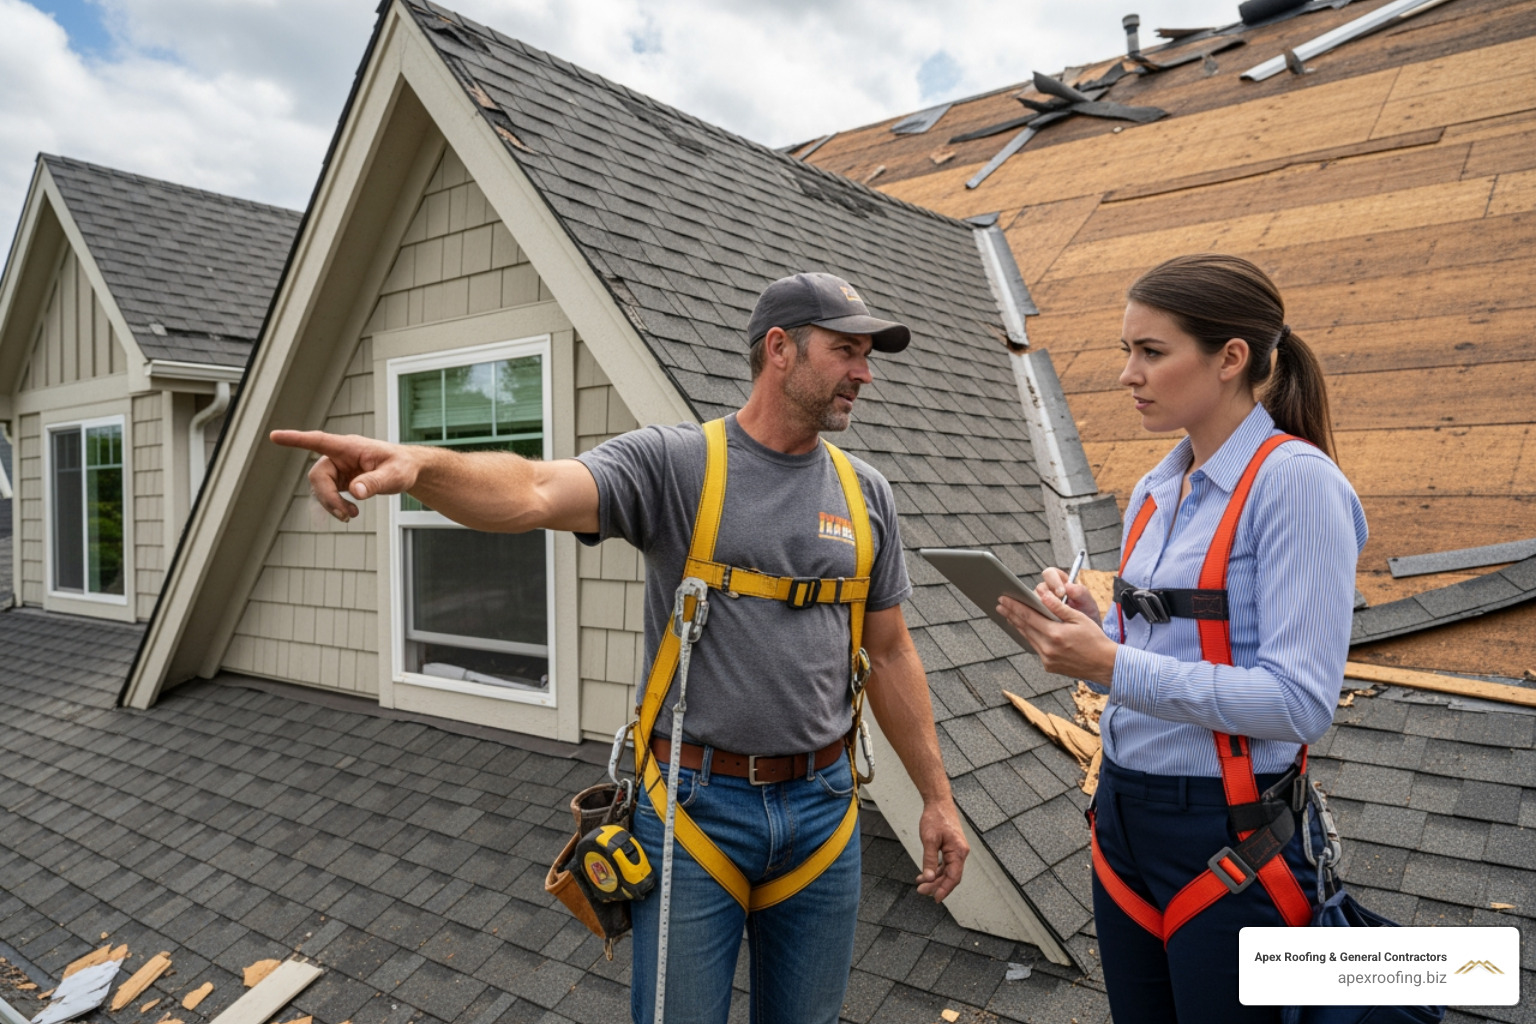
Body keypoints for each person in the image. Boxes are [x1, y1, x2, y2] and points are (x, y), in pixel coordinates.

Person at [271, 271, 968, 1024]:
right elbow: (533, 490)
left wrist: (937, 797)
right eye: (846, 351)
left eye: (868, 354)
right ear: (779, 350)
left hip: (825, 809)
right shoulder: (677, 466)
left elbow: (891, 653)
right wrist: (422, 467)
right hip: (695, 811)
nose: (865, 373)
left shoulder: (866, 494)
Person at [997, 254, 1367, 1024]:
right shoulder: (1154, 490)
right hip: (1124, 821)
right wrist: (1088, 630)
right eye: (1126, 352)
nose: (1128, 374)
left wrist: (1113, 662)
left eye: (1151, 352)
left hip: (1228, 830)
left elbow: (1300, 704)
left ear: (1231, 358)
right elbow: (1155, 659)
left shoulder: (1297, 485)